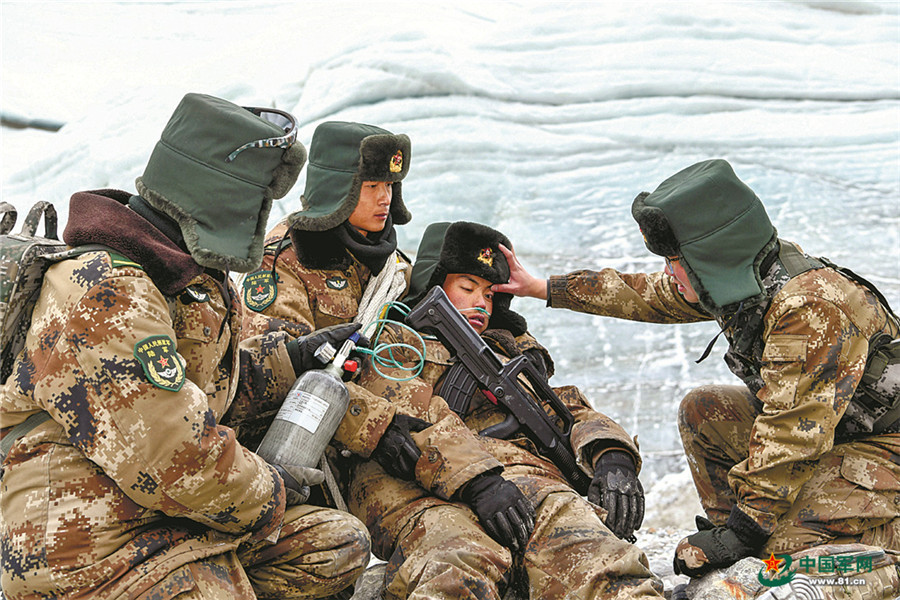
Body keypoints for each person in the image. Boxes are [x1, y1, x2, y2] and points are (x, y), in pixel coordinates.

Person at [0, 93, 370, 599]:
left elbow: (202, 380)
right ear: (216, 194)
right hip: (86, 544)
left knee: (335, 546)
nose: (260, 215)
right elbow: (173, 456)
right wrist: (272, 489)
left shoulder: (179, 273)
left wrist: (292, 360)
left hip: (163, 517)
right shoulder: (108, 292)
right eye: (255, 198)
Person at [493, 159, 900, 578]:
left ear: (709, 258)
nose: (669, 271)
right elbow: (648, 295)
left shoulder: (807, 308)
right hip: (839, 430)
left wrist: (748, 529)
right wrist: (543, 288)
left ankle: (878, 539)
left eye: (675, 259)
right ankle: (740, 537)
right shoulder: (743, 274)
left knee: (780, 550)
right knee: (704, 410)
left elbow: (791, 433)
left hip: (883, 443)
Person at [348, 221, 665, 599]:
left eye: (489, 293)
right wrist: (480, 481)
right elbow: (413, 416)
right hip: (418, 491)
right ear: (434, 284)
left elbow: (563, 409)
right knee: (454, 562)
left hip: (524, 484)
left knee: (597, 556)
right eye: (467, 288)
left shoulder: (507, 351)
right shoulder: (395, 342)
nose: (480, 302)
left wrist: (612, 455)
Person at [239, 120, 422, 490]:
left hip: (382, 429)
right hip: (307, 452)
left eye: (389, 185)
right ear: (339, 188)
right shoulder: (281, 262)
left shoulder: (392, 265)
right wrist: (379, 427)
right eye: (371, 186)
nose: (385, 198)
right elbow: (286, 372)